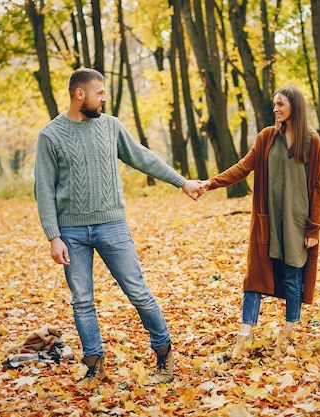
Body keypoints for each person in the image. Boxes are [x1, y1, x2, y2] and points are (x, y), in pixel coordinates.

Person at [34, 68, 204, 385]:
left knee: (138, 292)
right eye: (99, 93)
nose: (104, 99)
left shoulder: (111, 127)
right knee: (82, 301)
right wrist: (53, 236)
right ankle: (94, 365)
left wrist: (181, 182)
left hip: (112, 225)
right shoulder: (50, 136)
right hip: (71, 233)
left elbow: (142, 157)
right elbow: (43, 189)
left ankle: (164, 353)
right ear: (79, 94)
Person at [200, 86, 320, 359]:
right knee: (255, 277)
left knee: (293, 276)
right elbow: (243, 167)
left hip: (296, 221)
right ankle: (244, 335)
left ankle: (288, 333)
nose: (275, 109)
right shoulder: (267, 137)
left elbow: (316, 185)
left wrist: (313, 227)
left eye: (280, 104)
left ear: (295, 106)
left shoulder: (312, 141)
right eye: (274, 105)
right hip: (267, 221)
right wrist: (211, 183)